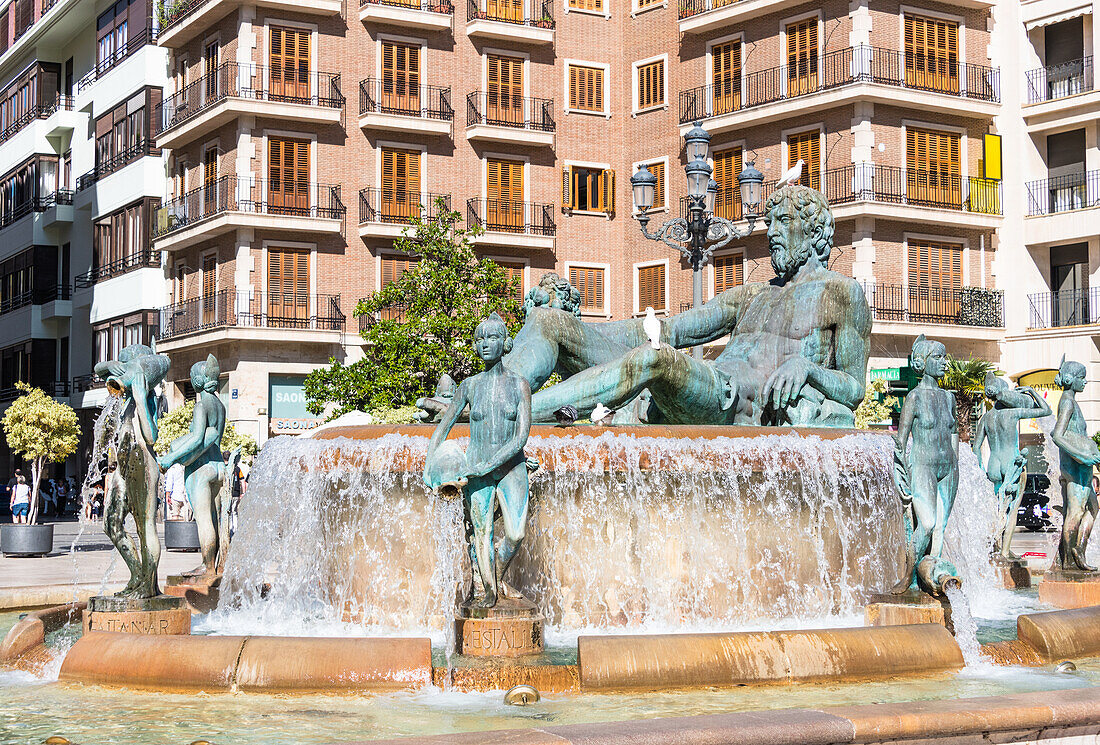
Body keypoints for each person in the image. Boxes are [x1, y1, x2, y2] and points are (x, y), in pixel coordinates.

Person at [496, 184, 871, 427]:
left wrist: (807, 367)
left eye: (783, 222)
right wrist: (583, 330)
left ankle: (508, 416)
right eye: (769, 223)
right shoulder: (753, 294)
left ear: (816, 230)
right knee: (550, 321)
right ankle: (492, 395)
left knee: (656, 358)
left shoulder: (842, 294)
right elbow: (672, 329)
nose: (770, 232)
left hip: (734, 403)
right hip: (699, 384)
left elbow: (854, 388)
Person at [425, 312, 533, 609]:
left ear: (506, 344)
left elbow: (520, 437)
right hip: (475, 468)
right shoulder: (469, 386)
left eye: (493, 337)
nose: (486, 344)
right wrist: (428, 466)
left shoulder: (519, 385)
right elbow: (443, 427)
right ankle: (489, 590)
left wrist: (488, 465)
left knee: (515, 533)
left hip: (511, 467)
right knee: (482, 532)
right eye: (480, 339)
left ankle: (493, 575)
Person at [891, 335, 959, 596]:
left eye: (945, 358)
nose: (944, 363)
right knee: (928, 524)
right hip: (923, 465)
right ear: (922, 363)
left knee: (940, 529)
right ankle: (906, 576)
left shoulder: (948, 398)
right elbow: (901, 440)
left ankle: (930, 581)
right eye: (938, 358)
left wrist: (957, 468)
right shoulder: (914, 398)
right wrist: (901, 472)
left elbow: (953, 435)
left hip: (948, 468)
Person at [972, 375, 1051, 560]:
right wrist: (1031, 391)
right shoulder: (1013, 413)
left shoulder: (986, 418)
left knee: (997, 508)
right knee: (1012, 509)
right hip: (1011, 463)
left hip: (993, 465)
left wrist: (980, 469)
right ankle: (1005, 552)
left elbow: (976, 447)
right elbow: (1045, 410)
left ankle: (996, 549)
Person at [1049, 357, 1100, 572]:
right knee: (1076, 512)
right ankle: (1069, 562)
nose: (1085, 382)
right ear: (1071, 380)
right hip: (1075, 465)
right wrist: (1084, 457)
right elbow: (1057, 435)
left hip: (1081, 466)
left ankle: (1078, 549)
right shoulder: (1068, 402)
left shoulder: (1072, 402)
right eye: (1082, 378)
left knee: (1093, 508)